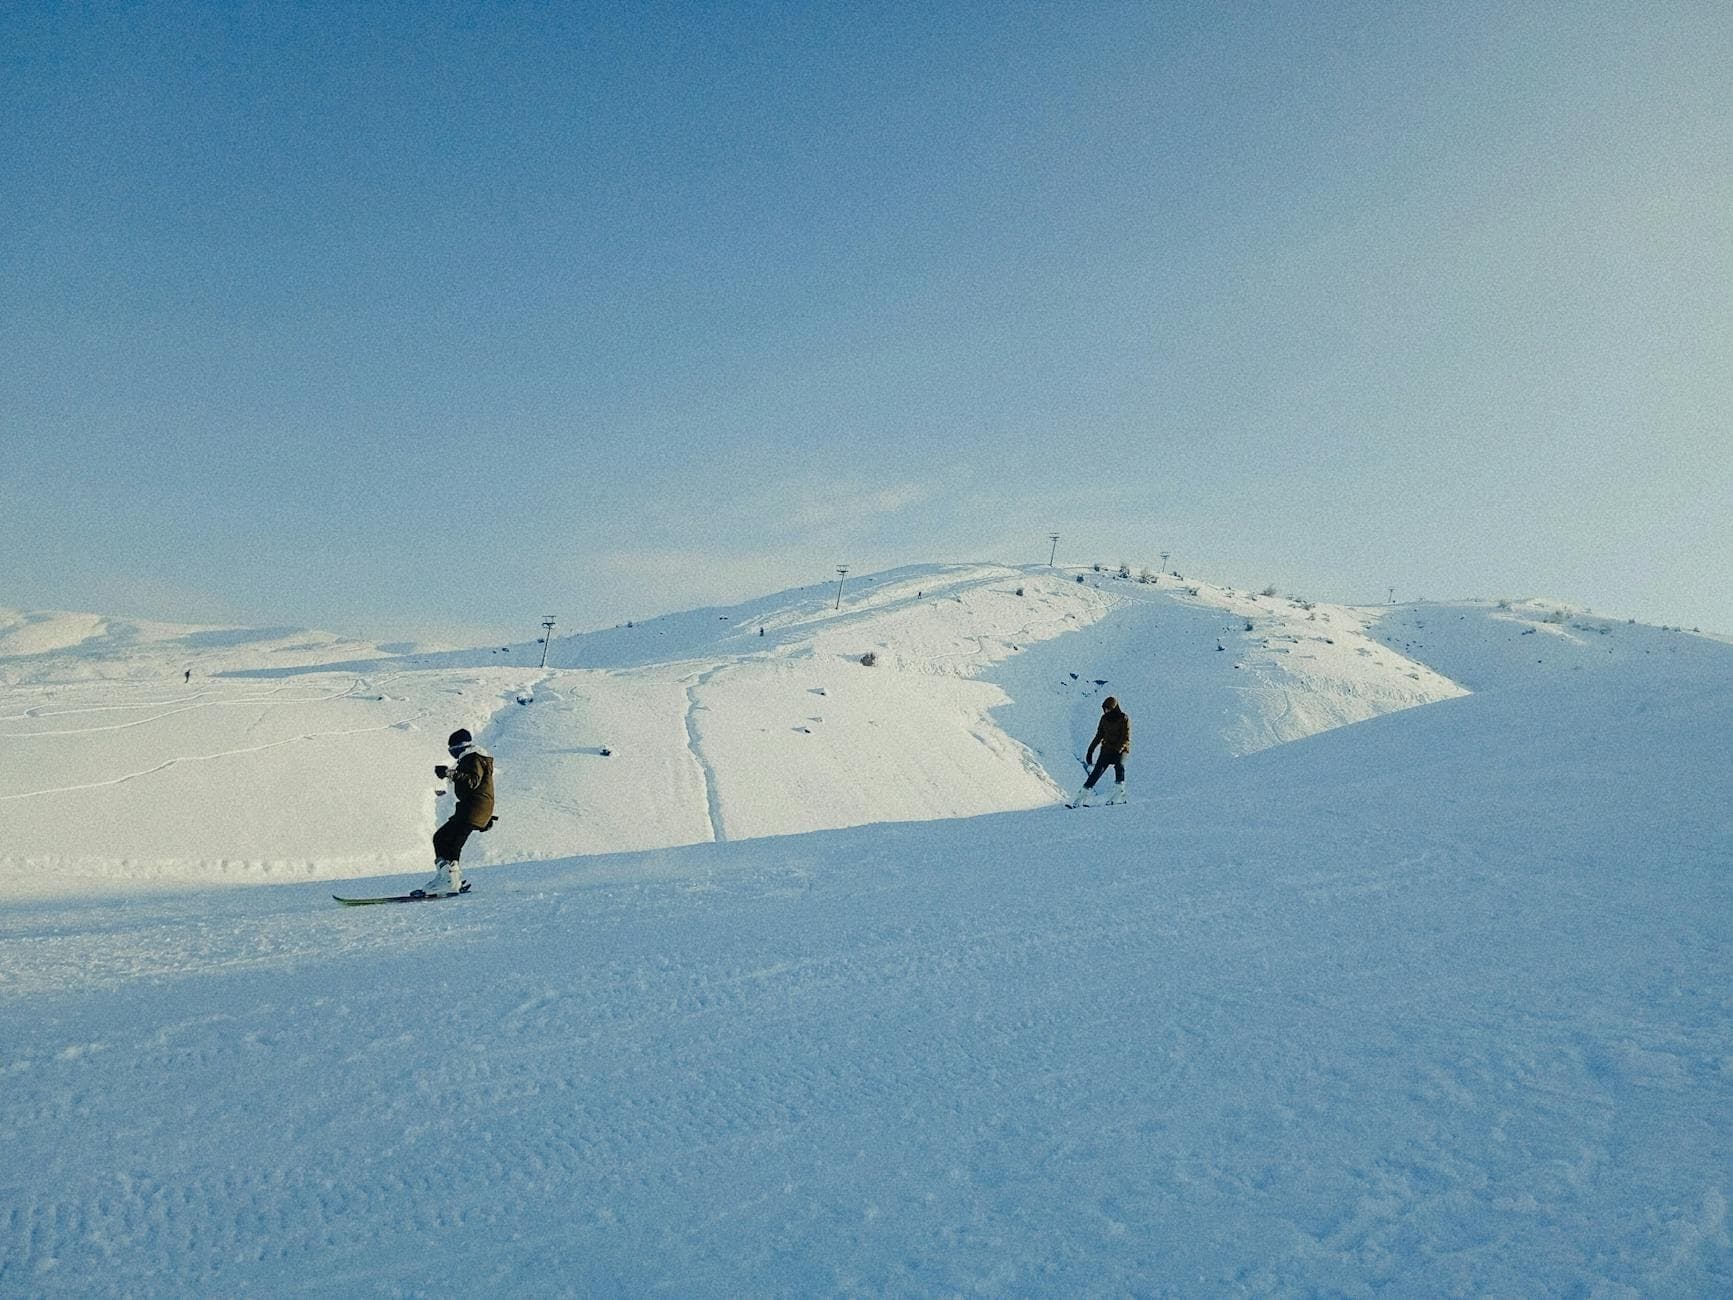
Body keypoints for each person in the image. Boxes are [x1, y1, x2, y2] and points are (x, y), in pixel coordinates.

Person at [422, 728, 494, 895]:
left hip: (473, 808)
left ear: (460, 747)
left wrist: (449, 773)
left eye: (452, 750)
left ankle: (449, 880)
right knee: (450, 841)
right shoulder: (475, 758)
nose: (452, 753)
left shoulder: (473, 758)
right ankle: (451, 879)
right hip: (475, 808)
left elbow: (472, 782)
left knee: (444, 839)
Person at [1073, 696, 1130, 806]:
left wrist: (1118, 749)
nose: (1106, 711)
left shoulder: (1124, 718)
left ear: (1114, 708)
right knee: (1097, 771)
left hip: (1121, 749)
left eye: (1108, 709)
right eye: (1105, 709)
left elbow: (1125, 737)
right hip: (1107, 749)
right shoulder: (1104, 719)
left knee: (1119, 766)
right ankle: (1081, 798)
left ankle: (1119, 796)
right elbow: (1099, 735)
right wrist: (1090, 750)